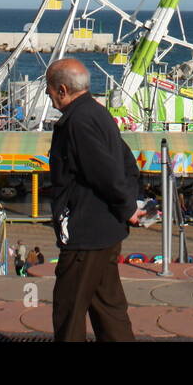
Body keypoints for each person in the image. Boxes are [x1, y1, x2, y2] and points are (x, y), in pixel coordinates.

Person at [46, 58, 143, 342]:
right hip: (107, 231)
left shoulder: (77, 122)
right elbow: (127, 164)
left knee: (69, 311)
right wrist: (128, 205)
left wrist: (128, 208)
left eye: (49, 89)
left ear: (62, 89)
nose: (49, 95)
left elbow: (106, 174)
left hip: (85, 234)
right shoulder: (98, 113)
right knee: (108, 308)